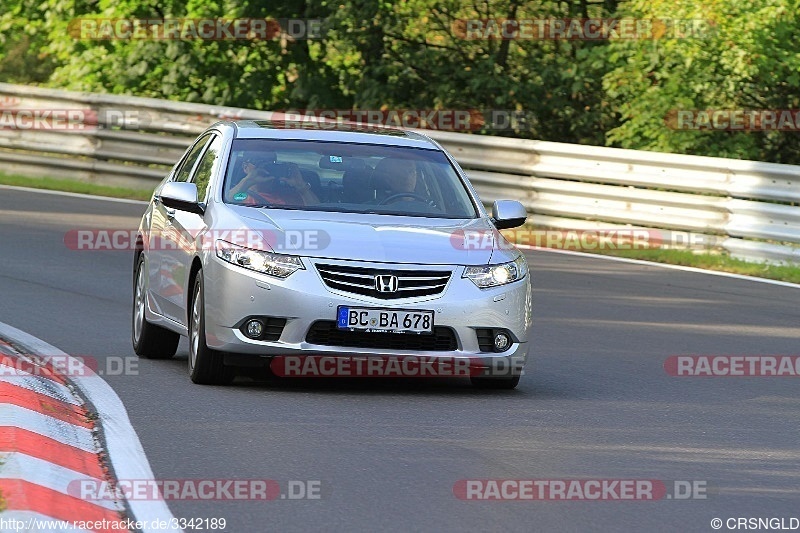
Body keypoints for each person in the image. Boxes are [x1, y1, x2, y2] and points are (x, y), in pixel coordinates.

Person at [229, 160, 318, 206]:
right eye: (259, 162)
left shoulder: (292, 194)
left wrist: (301, 186)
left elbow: (317, 215)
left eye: (272, 163)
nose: (266, 166)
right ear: (245, 167)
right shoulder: (239, 194)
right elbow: (221, 206)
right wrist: (248, 181)